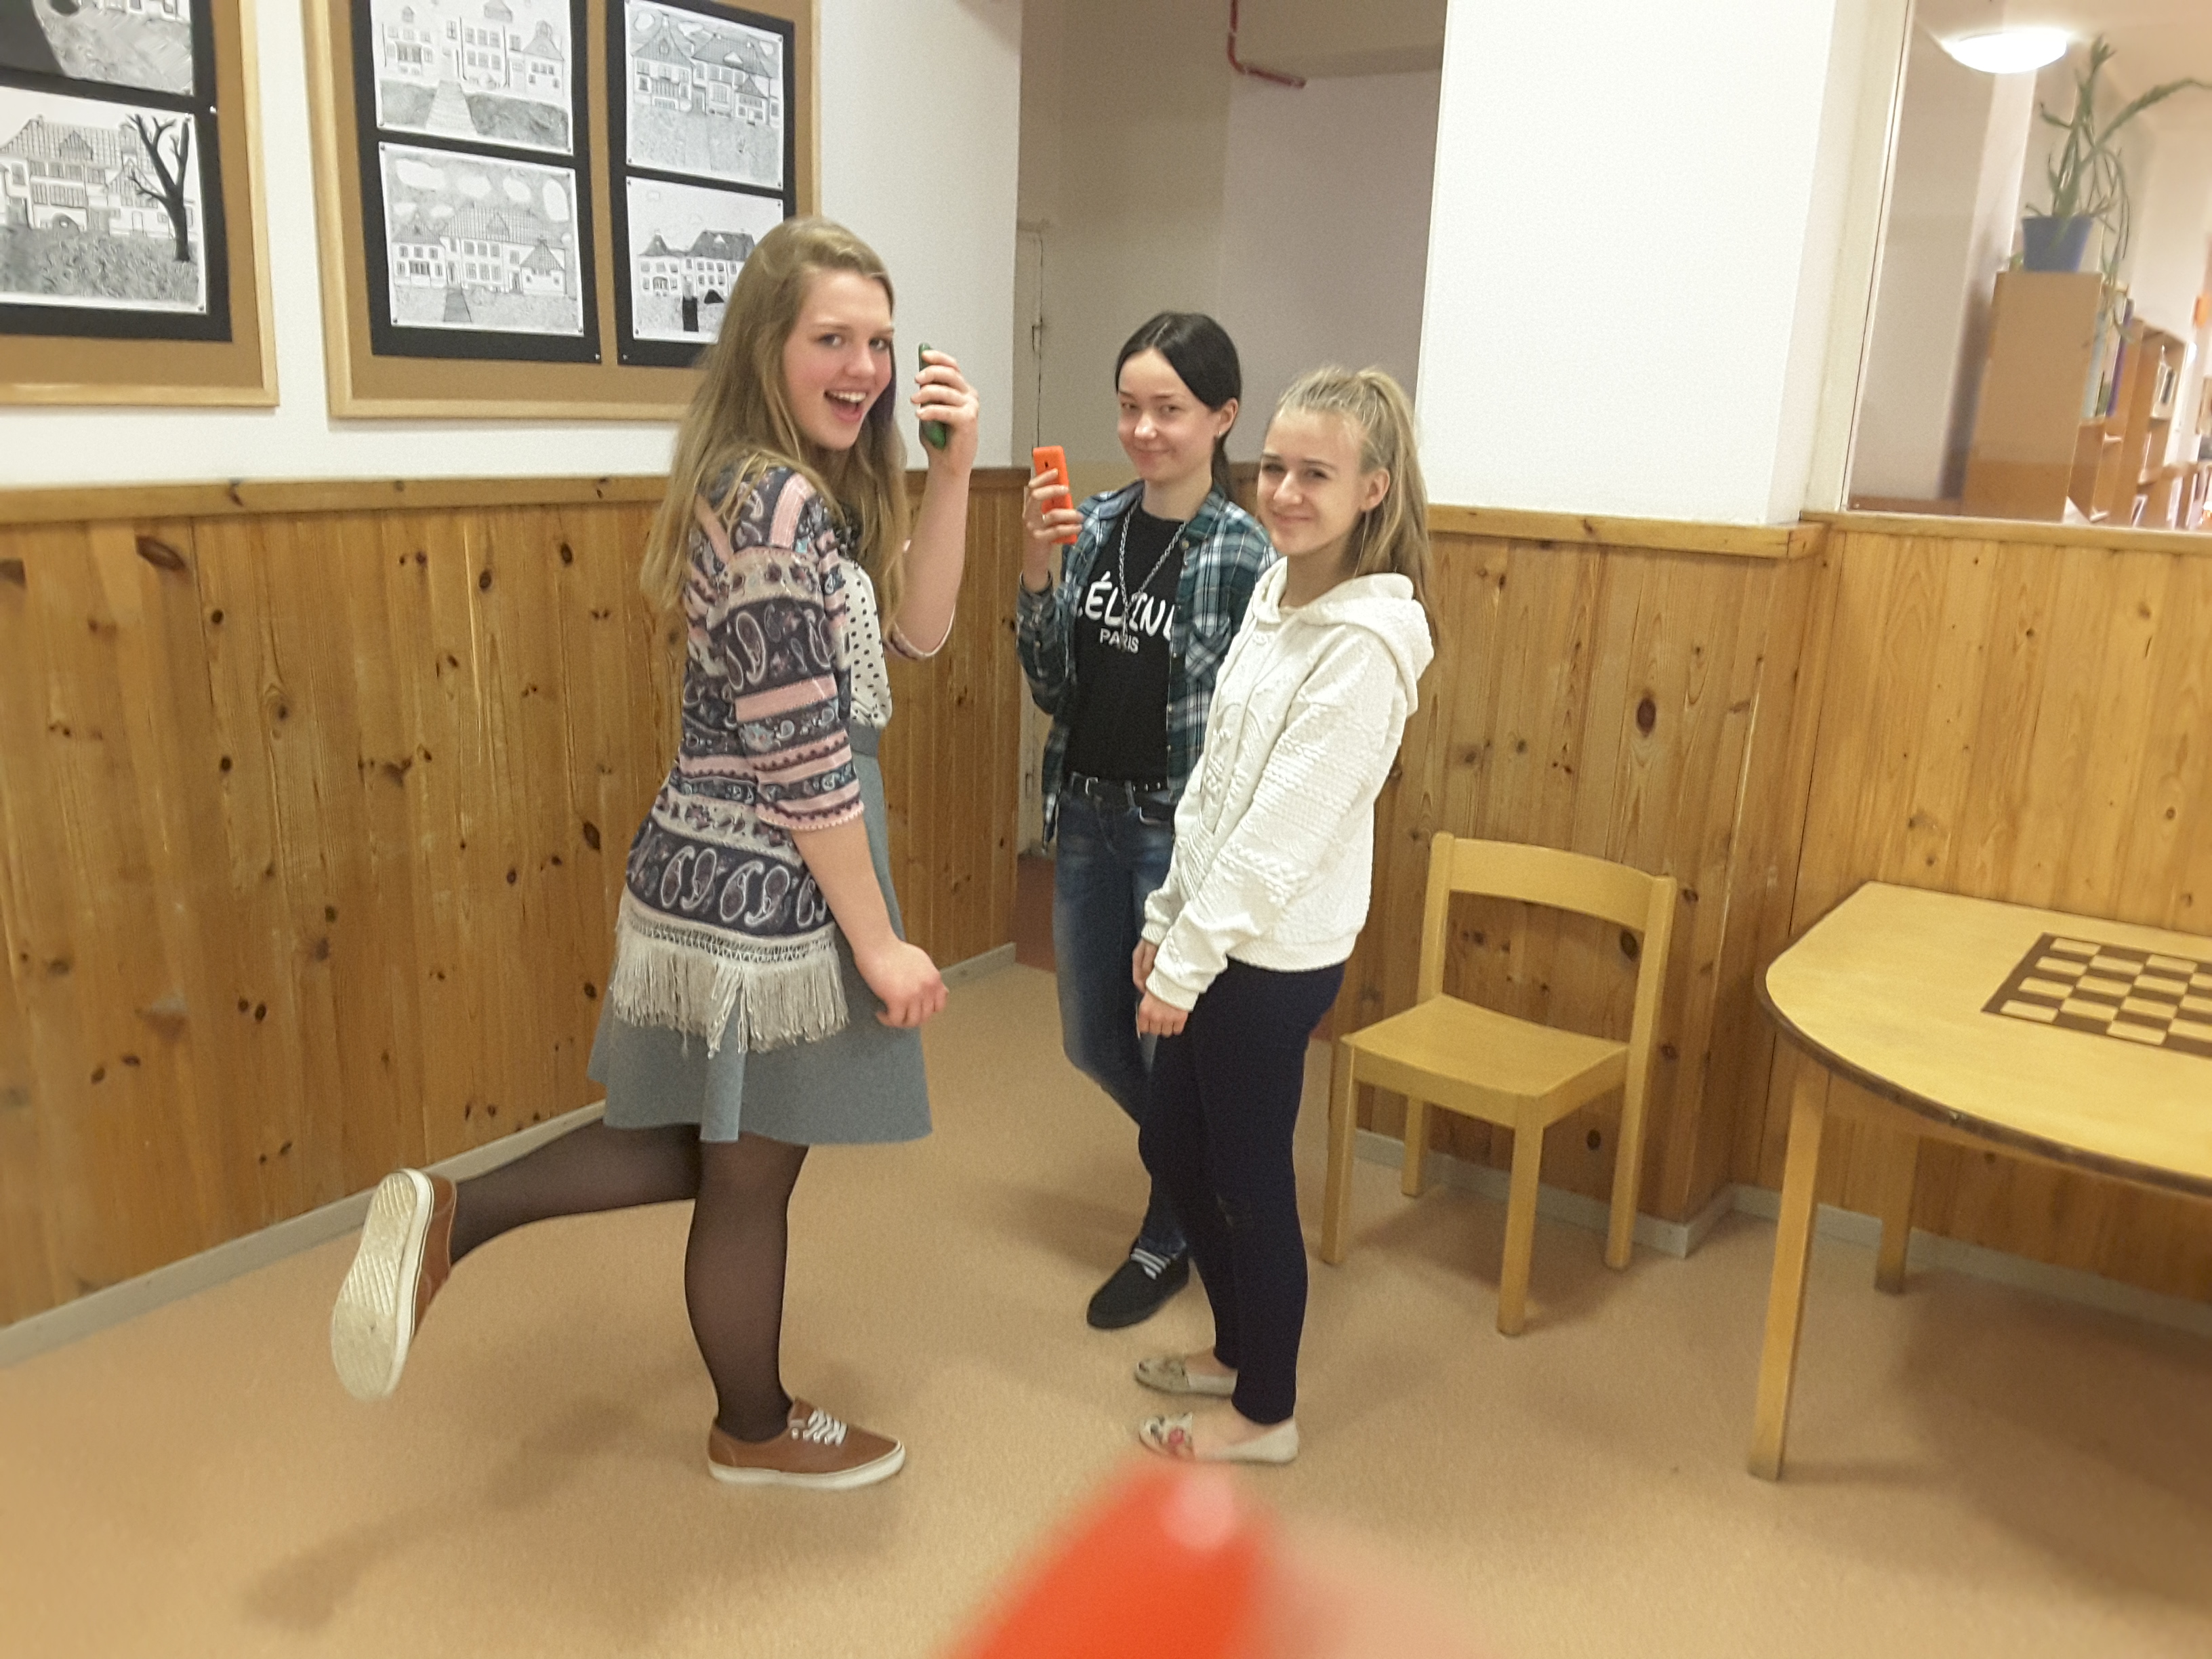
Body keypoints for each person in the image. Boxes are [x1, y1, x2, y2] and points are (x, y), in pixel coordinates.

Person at [327, 218, 981, 1492]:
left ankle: (460, 1215)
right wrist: (879, 944)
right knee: (750, 1176)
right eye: (832, 339)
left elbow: (916, 633)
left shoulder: (780, 486)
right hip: (774, 885)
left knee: (721, 1147)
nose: (864, 369)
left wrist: (951, 475)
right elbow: (804, 757)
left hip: (725, 865)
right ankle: (753, 1424)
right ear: (767, 345)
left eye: (881, 343)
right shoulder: (774, 501)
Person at [1126, 367, 1435, 1465]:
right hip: (1216, 932)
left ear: (1373, 491)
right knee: (1174, 1144)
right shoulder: (1277, 592)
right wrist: (1167, 914)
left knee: (1248, 1180)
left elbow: (1278, 838)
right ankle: (1238, 1347)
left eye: (1318, 475)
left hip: (1273, 955)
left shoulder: (1364, 648)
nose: (1287, 492)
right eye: (1276, 468)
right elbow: (1218, 785)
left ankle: (1267, 1413)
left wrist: (1184, 965)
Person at [1017, 313, 1274, 1331]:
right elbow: (1050, 684)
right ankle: (1202, 1169)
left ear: (1222, 416)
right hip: (1086, 814)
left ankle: (1170, 1232)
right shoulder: (1096, 525)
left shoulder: (1247, 554)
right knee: (1092, 1039)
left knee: (1170, 1050)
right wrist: (1037, 570)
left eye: (1169, 409)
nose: (1143, 430)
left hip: (1177, 834)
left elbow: (1253, 727)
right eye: (1129, 407)